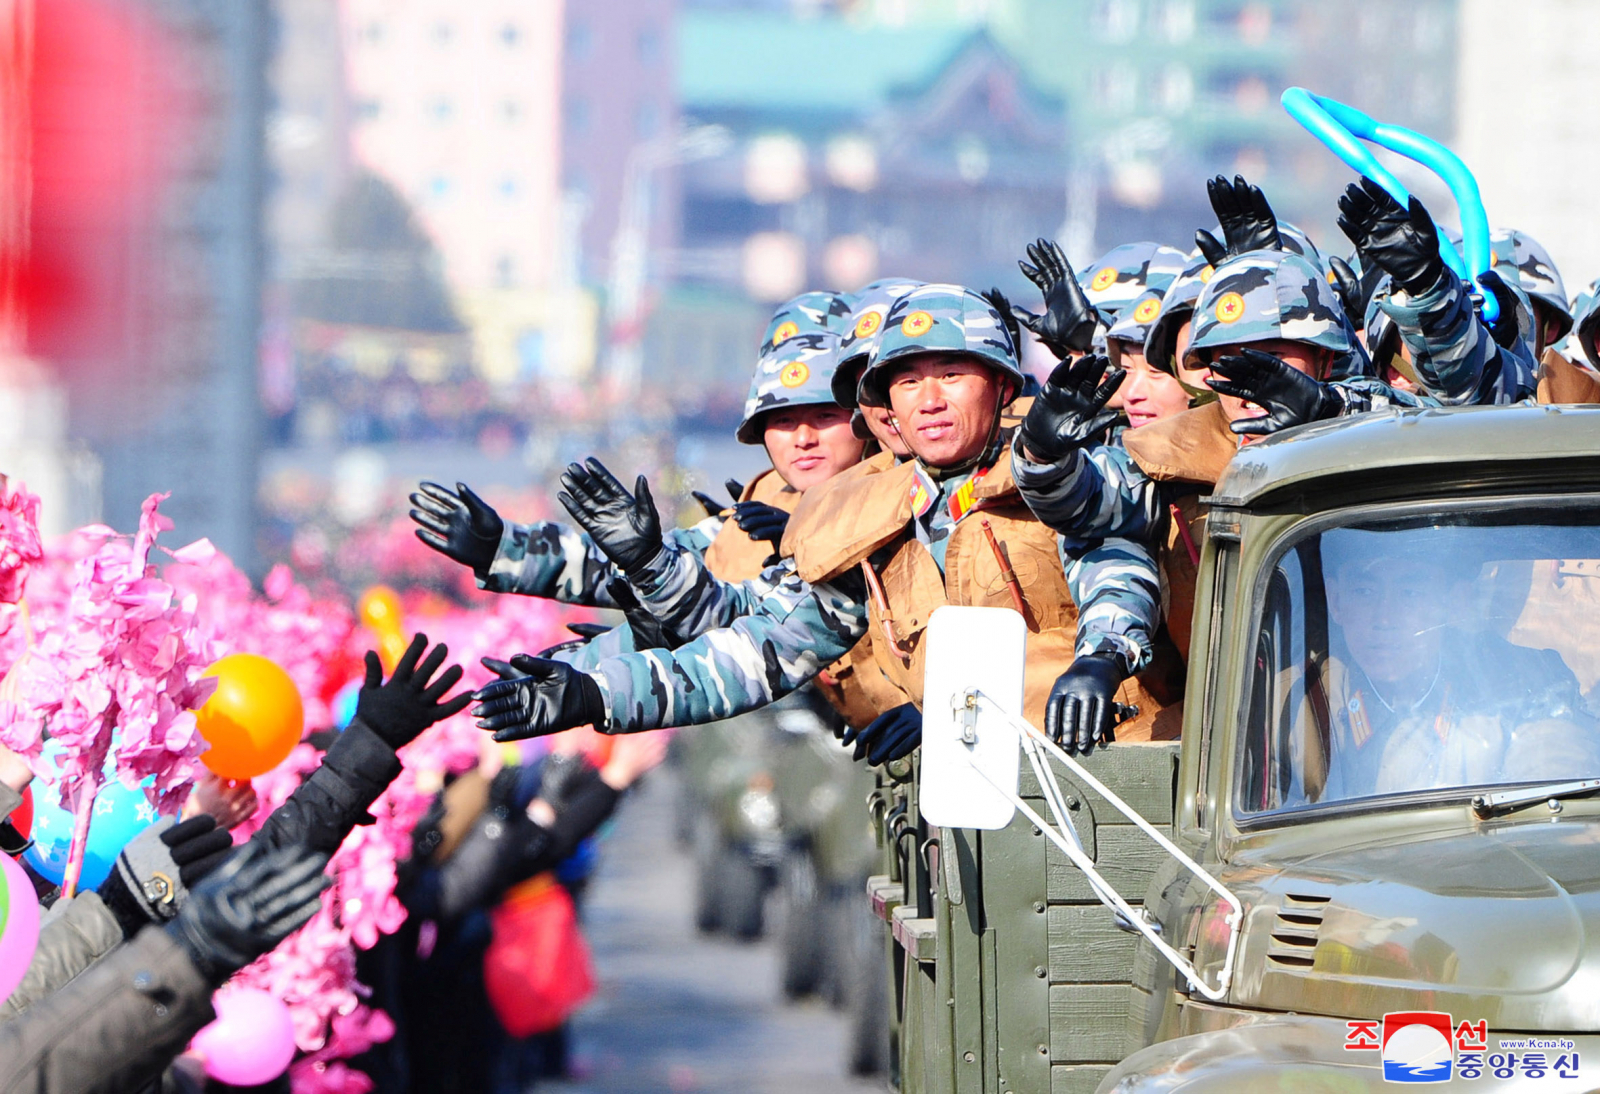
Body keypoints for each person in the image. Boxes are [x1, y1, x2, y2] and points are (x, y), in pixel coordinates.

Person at [466, 285, 1167, 757]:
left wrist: (1102, 659)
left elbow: (1113, 558)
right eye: (907, 381)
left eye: (952, 374)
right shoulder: (880, 516)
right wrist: (595, 690)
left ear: (1003, 385)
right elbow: (758, 650)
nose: (928, 400)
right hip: (981, 794)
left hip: (1109, 770)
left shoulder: (1065, 466)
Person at [1013, 249, 1420, 666]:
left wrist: (1329, 413)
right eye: (1228, 362)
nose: (1248, 383)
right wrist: (1043, 453)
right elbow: (1088, 503)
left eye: (1272, 359)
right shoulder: (1173, 454)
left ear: (1325, 360)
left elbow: (1430, 428)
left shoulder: (1375, 434)